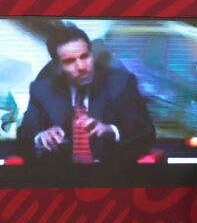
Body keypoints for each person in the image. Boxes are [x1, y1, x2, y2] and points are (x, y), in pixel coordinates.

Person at [17, 24, 155, 165]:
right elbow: (24, 135)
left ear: (92, 55)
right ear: (58, 66)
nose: (81, 67)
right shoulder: (43, 90)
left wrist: (111, 131)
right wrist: (40, 138)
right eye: (70, 61)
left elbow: (145, 132)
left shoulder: (121, 83)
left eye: (84, 57)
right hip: (61, 178)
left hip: (112, 175)